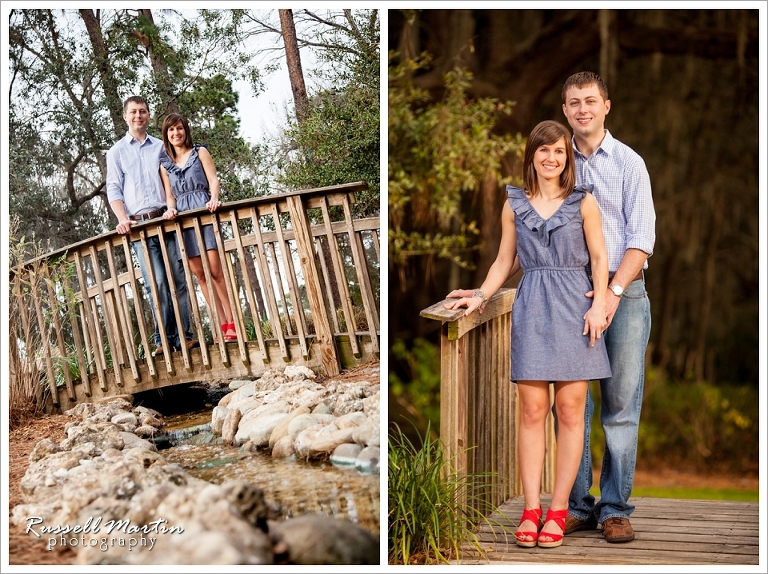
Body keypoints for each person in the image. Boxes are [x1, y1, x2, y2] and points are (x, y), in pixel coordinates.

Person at [445, 119, 611, 548]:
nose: (552, 158)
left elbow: (598, 257)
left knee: (572, 411)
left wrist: (599, 305)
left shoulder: (583, 201)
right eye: (544, 150)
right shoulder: (513, 203)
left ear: (567, 158)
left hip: (577, 307)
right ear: (531, 156)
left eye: (559, 151)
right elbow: (505, 261)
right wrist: (479, 296)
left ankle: (559, 511)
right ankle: (531, 508)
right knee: (533, 411)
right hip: (534, 304)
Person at [559, 71, 656, 543]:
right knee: (572, 404)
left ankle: (615, 508)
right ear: (565, 111)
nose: (583, 109)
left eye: (590, 101)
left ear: (606, 106)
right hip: (570, 298)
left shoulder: (630, 164)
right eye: (574, 102)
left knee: (619, 405)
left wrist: (611, 294)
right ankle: (576, 504)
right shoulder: (559, 164)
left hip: (625, 296)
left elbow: (641, 243)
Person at [106, 95, 198, 358]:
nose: (138, 116)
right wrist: (122, 218)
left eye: (143, 111)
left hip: (166, 221)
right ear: (125, 116)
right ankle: (163, 340)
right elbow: (113, 188)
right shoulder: (116, 152)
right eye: (133, 112)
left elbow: (171, 179)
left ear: (148, 115)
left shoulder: (160, 146)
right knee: (156, 283)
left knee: (178, 280)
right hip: (139, 228)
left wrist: (172, 205)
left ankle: (184, 337)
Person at [159, 113, 238, 343]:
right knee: (200, 275)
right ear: (166, 135)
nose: (176, 133)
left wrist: (214, 198)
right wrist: (170, 210)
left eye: (180, 129)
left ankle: (233, 322)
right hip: (183, 221)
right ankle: (221, 324)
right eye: (171, 130)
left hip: (204, 212)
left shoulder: (200, 152)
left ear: (186, 130)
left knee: (215, 271)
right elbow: (170, 196)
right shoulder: (165, 165)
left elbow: (213, 180)